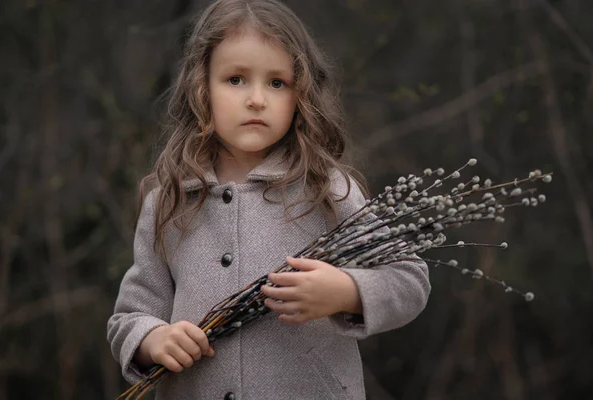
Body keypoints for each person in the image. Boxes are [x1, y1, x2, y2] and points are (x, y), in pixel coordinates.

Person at [107, 0, 431, 399]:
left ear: (301, 96)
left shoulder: (327, 189)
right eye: (236, 79)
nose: (257, 99)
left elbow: (409, 279)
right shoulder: (169, 201)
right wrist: (153, 339)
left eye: (277, 83)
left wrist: (346, 290)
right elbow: (130, 316)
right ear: (201, 87)